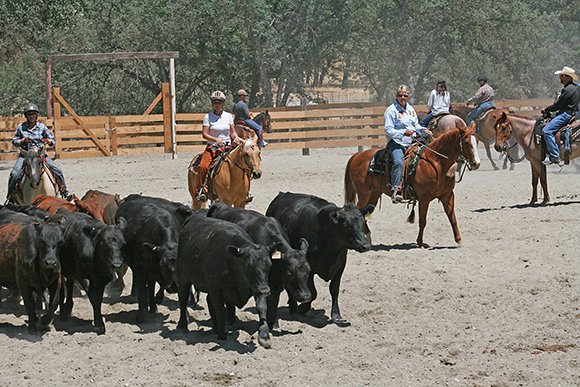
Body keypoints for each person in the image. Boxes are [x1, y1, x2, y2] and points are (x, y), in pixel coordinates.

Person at [6, 103, 73, 203]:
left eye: (33, 114)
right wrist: (23, 141)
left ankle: (64, 191)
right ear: (26, 116)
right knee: (15, 173)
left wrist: (47, 141)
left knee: (57, 169)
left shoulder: (42, 127)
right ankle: (10, 196)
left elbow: (52, 140)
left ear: (36, 115)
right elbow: (14, 141)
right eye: (29, 114)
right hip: (25, 155)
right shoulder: (21, 127)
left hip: (40, 155)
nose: (31, 116)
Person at [384, 85, 433, 204]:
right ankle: (395, 189)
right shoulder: (391, 110)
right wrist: (403, 133)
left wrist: (423, 130)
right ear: (396, 96)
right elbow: (388, 129)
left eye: (405, 95)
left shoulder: (410, 109)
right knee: (399, 161)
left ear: (408, 96)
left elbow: (415, 125)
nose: (403, 97)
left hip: (410, 141)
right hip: (396, 142)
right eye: (400, 95)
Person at [195, 91, 241, 202]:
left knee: (244, 163)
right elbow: (205, 134)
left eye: (219, 102)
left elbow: (232, 132)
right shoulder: (208, 117)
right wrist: (216, 140)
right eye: (215, 102)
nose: (217, 105)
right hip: (213, 147)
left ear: (223, 104)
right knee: (203, 166)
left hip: (228, 147)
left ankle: (245, 190)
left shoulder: (229, 116)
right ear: (212, 104)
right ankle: (201, 190)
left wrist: (235, 138)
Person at [540, 66, 580, 165]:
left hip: (565, 115)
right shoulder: (576, 88)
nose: (560, 77)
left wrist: (547, 109)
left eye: (563, 76)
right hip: (572, 114)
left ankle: (554, 155)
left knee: (546, 131)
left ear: (569, 77)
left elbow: (558, 105)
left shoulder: (567, 90)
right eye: (561, 75)